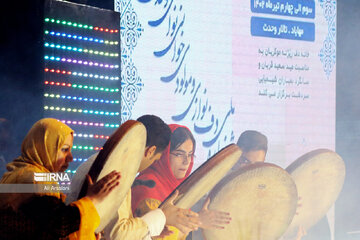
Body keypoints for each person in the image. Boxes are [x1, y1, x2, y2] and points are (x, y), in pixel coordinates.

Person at [0, 118, 121, 240]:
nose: (70, 157)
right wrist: (92, 199)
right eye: (64, 149)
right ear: (44, 147)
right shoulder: (32, 178)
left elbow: (47, 226)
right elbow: (60, 223)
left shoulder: (25, 174)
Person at [90, 116, 201, 240]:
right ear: (150, 151)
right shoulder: (118, 174)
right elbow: (118, 234)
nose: (186, 162)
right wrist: (162, 216)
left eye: (190, 155)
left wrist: (152, 231)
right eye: (156, 159)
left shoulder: (112, 164)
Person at [132, 124, 231, 240]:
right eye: (179, 154)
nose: (186, 161)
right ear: (163, 154)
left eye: (190, 155)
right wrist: (197, 221)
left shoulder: (178, 188)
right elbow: (151, 235)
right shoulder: (146, 186)